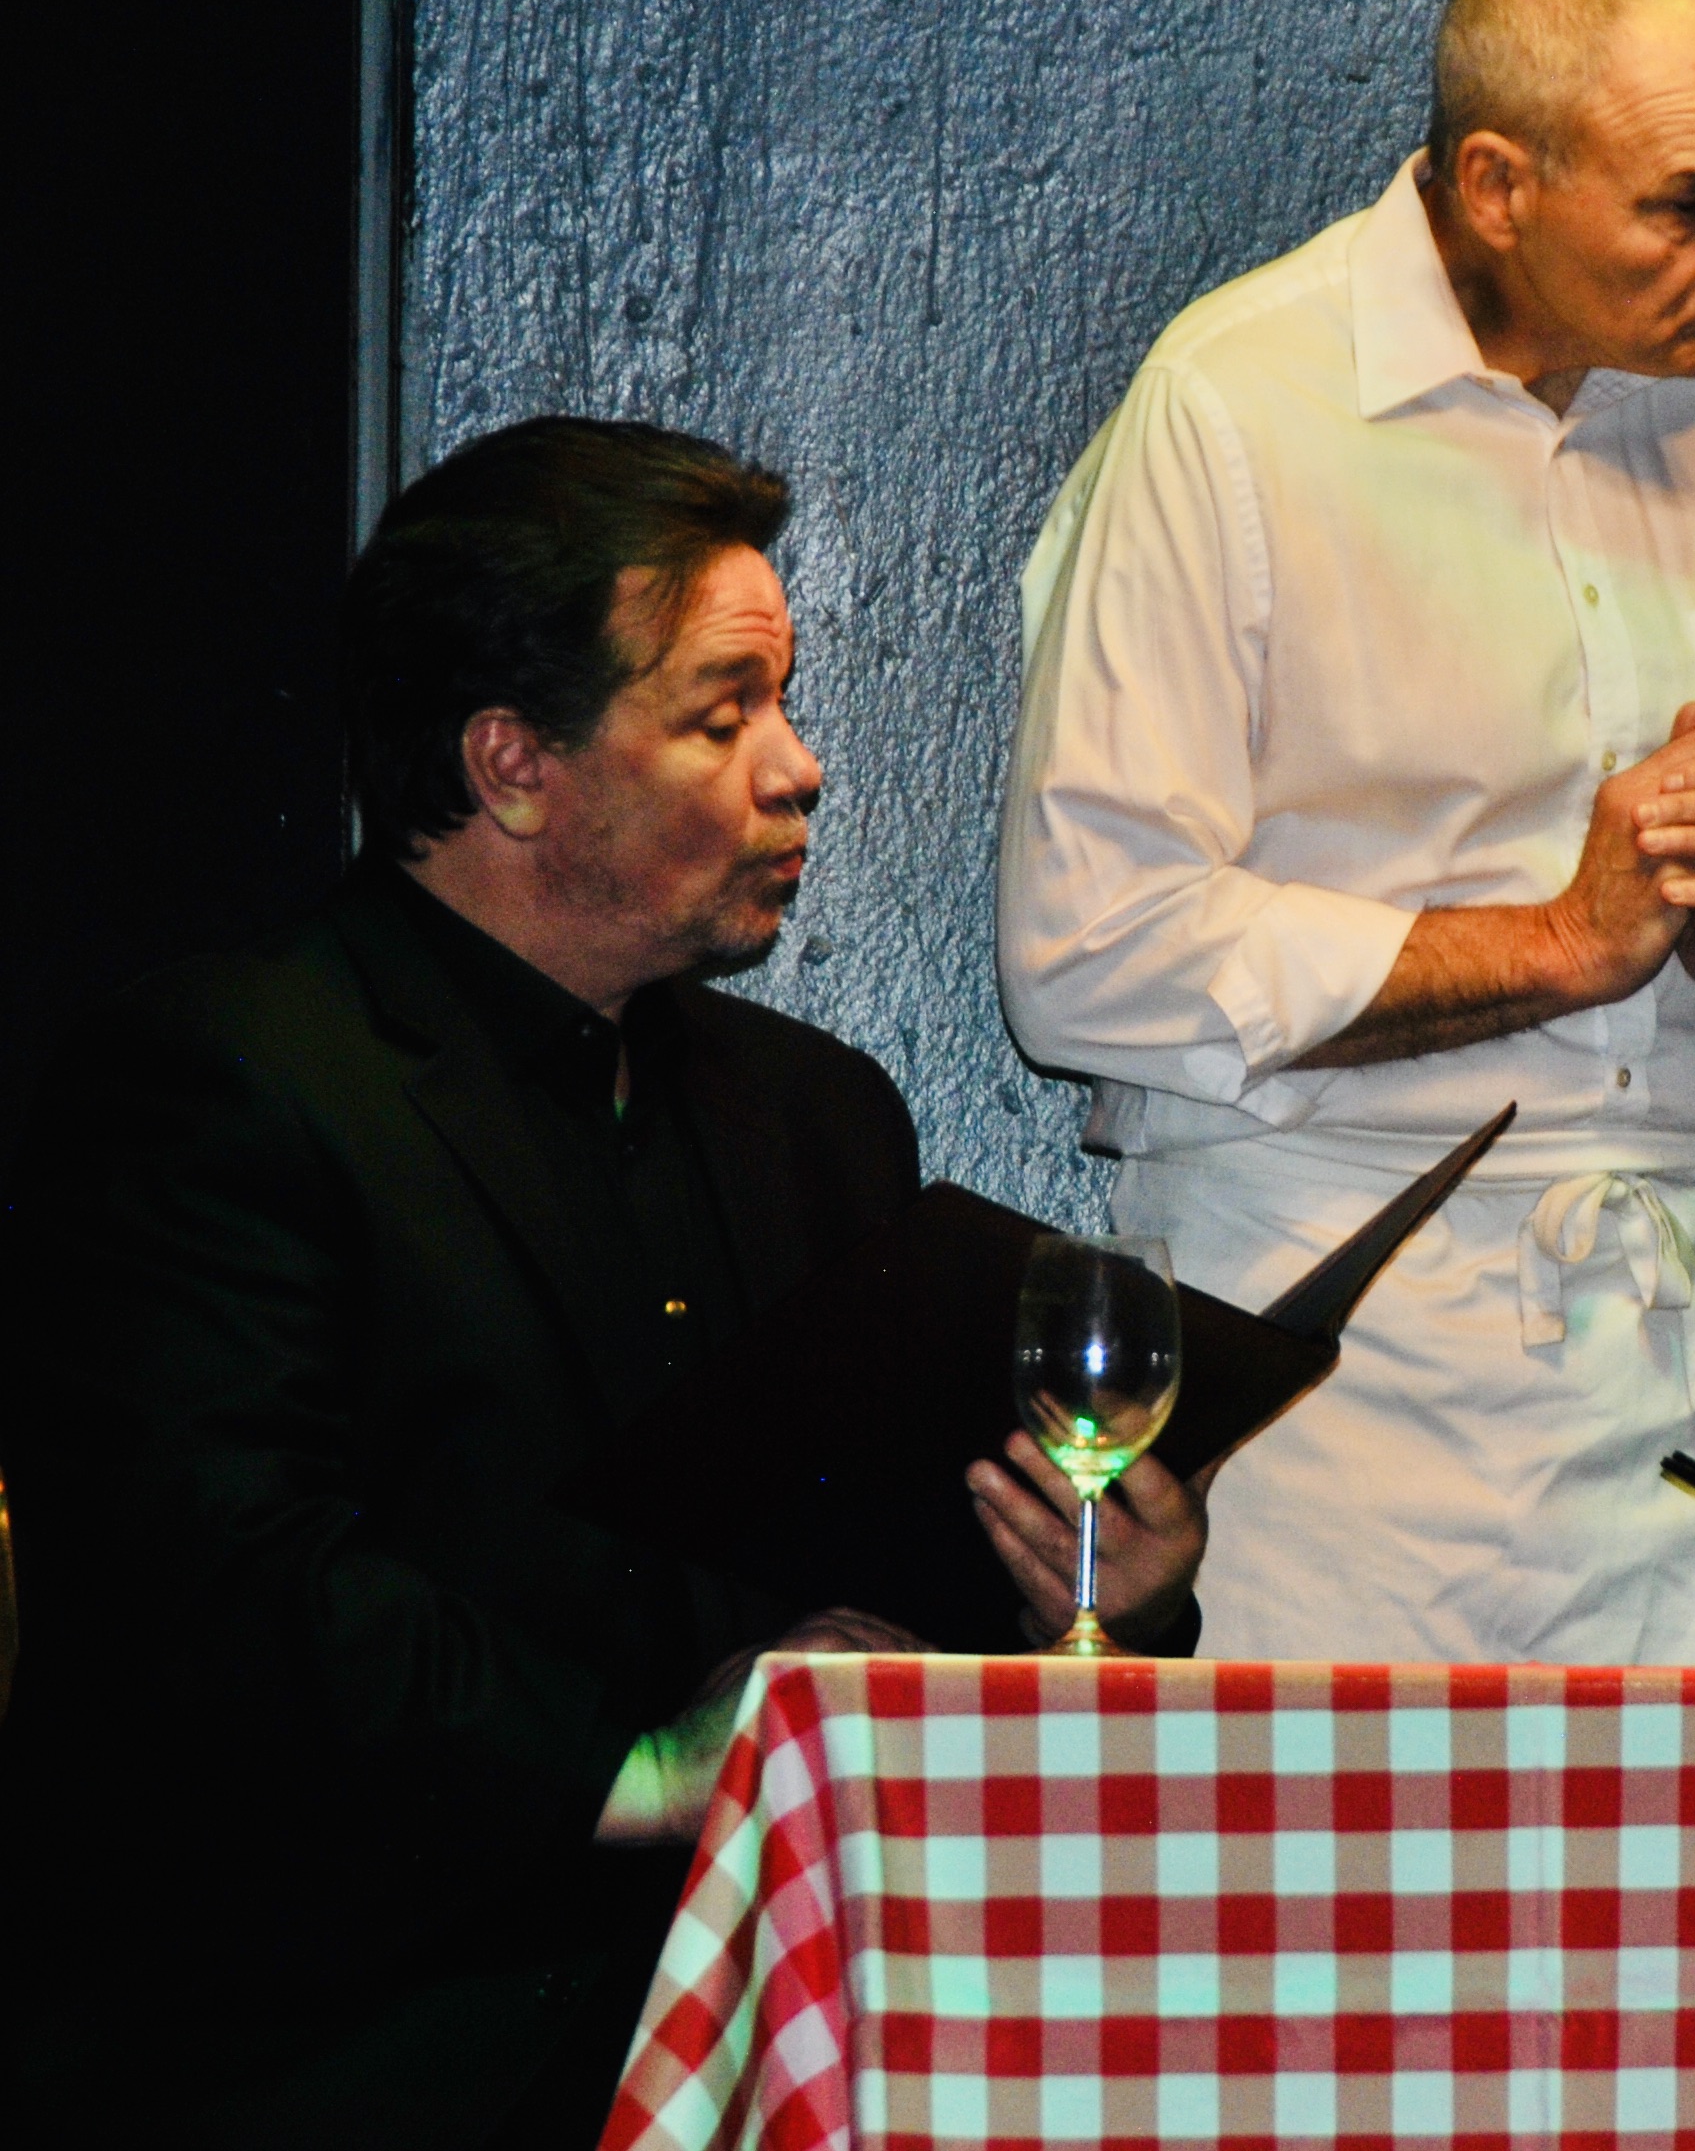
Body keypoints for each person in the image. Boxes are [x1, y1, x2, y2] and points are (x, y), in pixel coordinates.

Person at [0, 418, 1201, 2147]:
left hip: (775, 2023)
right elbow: (232, 1611)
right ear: (510, 763)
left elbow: (886, 1597)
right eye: (725, 714)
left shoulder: (814, 1116)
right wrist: (653, 1769)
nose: (799, 768)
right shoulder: (220, 1080)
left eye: (782, 705)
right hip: (348, 2037)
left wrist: (1088, 1592)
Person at [997, 0, 1695, 1662]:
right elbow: (1088, 949)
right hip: (1334, 1388)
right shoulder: (1234, 407)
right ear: (1495, 187)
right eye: (1691, 201)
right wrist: (1559, 941)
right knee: (1338, 1928)